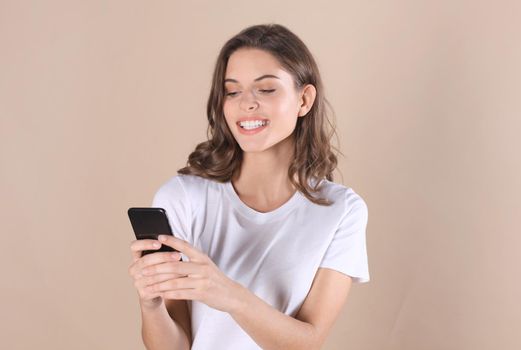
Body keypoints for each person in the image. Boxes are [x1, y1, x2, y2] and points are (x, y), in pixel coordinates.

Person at [128, 23, 370, 350]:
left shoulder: (341, 211)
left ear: (304, 99)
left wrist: (227, 294)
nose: (247, 104)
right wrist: (151, 304)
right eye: (232, 91)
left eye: (266, 89)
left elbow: (308, 342)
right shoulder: (183, 197)